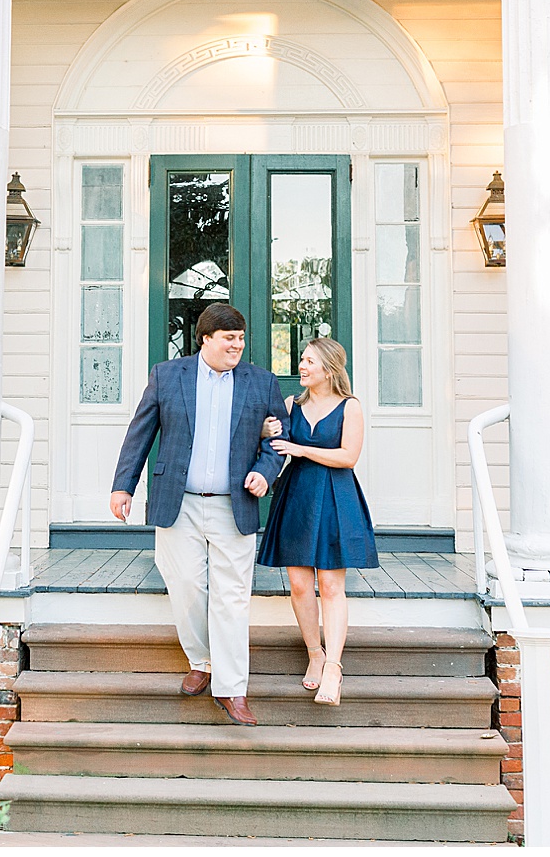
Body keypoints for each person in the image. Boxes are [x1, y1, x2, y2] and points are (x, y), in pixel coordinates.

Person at [110, 302, 288, 727]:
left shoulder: (261, 382)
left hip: (234, 504)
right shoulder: (168, 375)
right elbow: (141, 431)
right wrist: (123, 485)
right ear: (205, 339)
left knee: (231, 597)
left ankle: (232, 689)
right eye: (229, 339)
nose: (237, 346)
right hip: (180, 500)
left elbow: (278, 438)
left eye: (241, 339)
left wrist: (264, 473)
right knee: (187, 585)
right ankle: (202, 661)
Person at [255, 336, 378, 706]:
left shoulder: (349, 407)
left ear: (329, 368)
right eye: (302, 361)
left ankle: (334, 667)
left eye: (309, 361)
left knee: (330, 583)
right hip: (298, 495)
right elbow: (274, 438)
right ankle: (314, 653)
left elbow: (348, 457)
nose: (302, 367)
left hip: (335, 494)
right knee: (298, 583)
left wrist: (301, 449)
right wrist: (265, 432)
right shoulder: (293, 404)